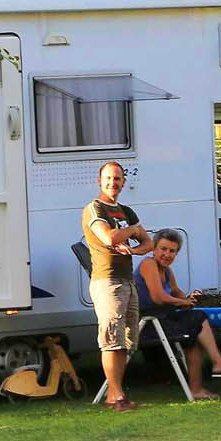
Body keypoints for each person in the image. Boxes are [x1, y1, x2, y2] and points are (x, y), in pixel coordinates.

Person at [137, 228, 221, 400]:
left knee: (194, 331)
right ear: (154, 249)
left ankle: (197, 388)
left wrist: (189, 298)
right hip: (149, 323)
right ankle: (218, 363)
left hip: (163, 318)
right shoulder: (148, 264)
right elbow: (158, 297)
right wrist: (181, 302)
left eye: (172, 251)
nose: (167, 254)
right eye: (163, 249)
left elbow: (175, 291)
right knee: (197, 319)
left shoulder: (167, 271)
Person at [82, 160, 156, 410]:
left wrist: (135, 249)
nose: (113, 183)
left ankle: (117, 394)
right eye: (108, 179)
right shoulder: (95, 208)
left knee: (126, 340)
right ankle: (116, 396)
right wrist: (132, 231)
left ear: (124, 182)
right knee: (111, 338)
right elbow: (108, 236)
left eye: (117, 179)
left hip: (127, 280)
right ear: (99, 181)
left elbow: (149, 243)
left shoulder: (126, 211)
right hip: (107, 281)